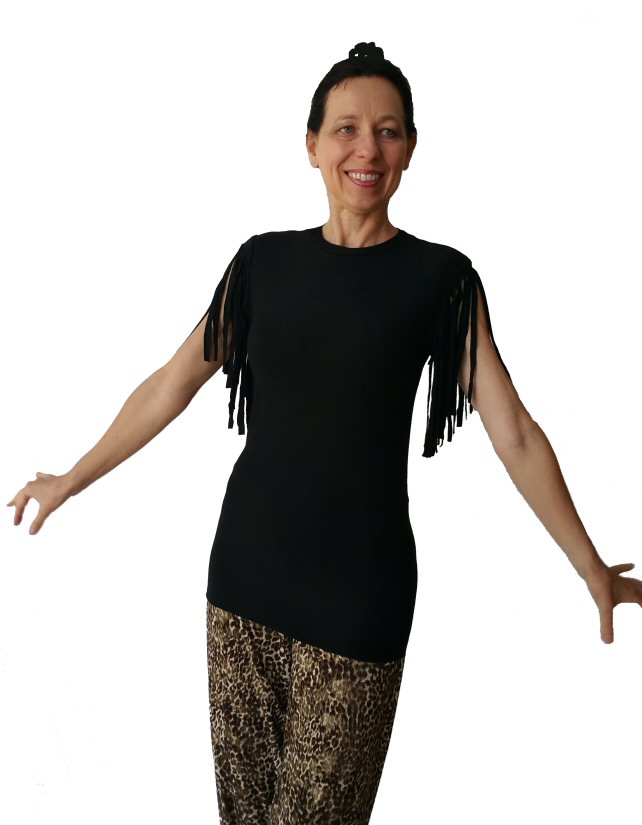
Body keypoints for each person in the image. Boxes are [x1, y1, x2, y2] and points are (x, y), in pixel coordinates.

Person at [7, 40, 642, 825]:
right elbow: (171, 384)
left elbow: (514, 432)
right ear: (311, 145)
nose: (366, 148)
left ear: (410, 149)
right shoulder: (262, 264)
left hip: (358, 603)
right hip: (241, 586)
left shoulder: (440, 281)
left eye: (388, 130)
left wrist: (590, 566)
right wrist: (70, 478)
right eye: (346, 129)